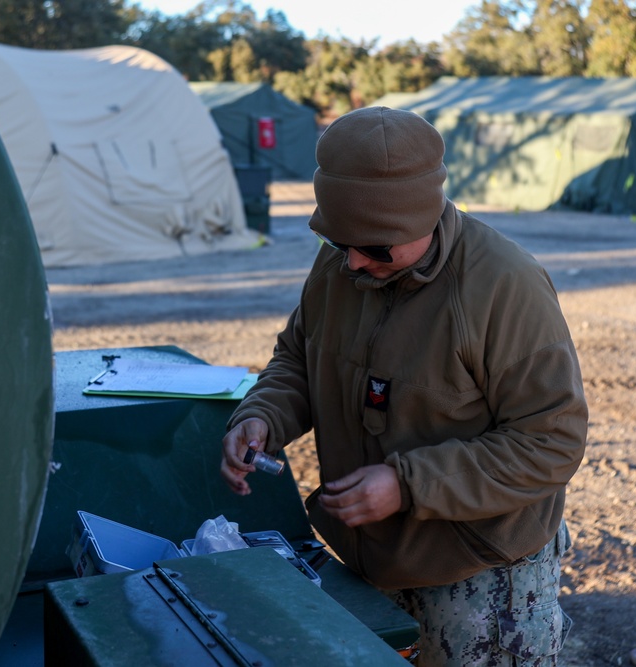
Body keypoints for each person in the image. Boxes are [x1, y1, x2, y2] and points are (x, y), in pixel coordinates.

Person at [220, 107, 588, 666]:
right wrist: (264, 415)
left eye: (377, 249)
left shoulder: (504, 285)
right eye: (341, 242)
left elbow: (550, 442)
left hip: (479, 577)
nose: (356, 264)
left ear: (423, 216)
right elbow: (298, 355)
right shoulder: (340, 264)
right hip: (368, 562)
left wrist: (409, 483)